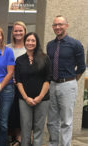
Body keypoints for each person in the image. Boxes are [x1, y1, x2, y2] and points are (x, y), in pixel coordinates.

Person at [46, 15, 85, 146]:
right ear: (53, 27)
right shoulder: (50, 45)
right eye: (55, 25)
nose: (58, 27)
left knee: (66, 121)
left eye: (60, 24)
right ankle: (53, 144)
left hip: (68, 84)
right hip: (52, 84)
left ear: (66, 26)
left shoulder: (76, 44)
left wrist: (71, 81)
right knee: (52, 120)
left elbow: (81, 67)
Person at [15, 32, 52, 146]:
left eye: (33, 41)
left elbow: (48, 79)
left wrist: (39, 97)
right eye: (28, 40)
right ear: (24, 42)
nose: (30, 43)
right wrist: (26, 98)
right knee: (25, 128)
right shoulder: (20, 60)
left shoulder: (45, 58)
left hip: (42, 99)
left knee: (38, 128)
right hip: (24, 99)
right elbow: (18, 81)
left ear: (37, 43)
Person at [6, 21, 27, 146]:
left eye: (20, 30)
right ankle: (12, 137)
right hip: (9, 85)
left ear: (24, 32)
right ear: (12, 33)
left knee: (22, 112)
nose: (18, 33)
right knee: (11, 112)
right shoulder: (7, 48)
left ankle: (19, 138)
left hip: (24, 86)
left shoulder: (29, 46)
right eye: (15, 31)